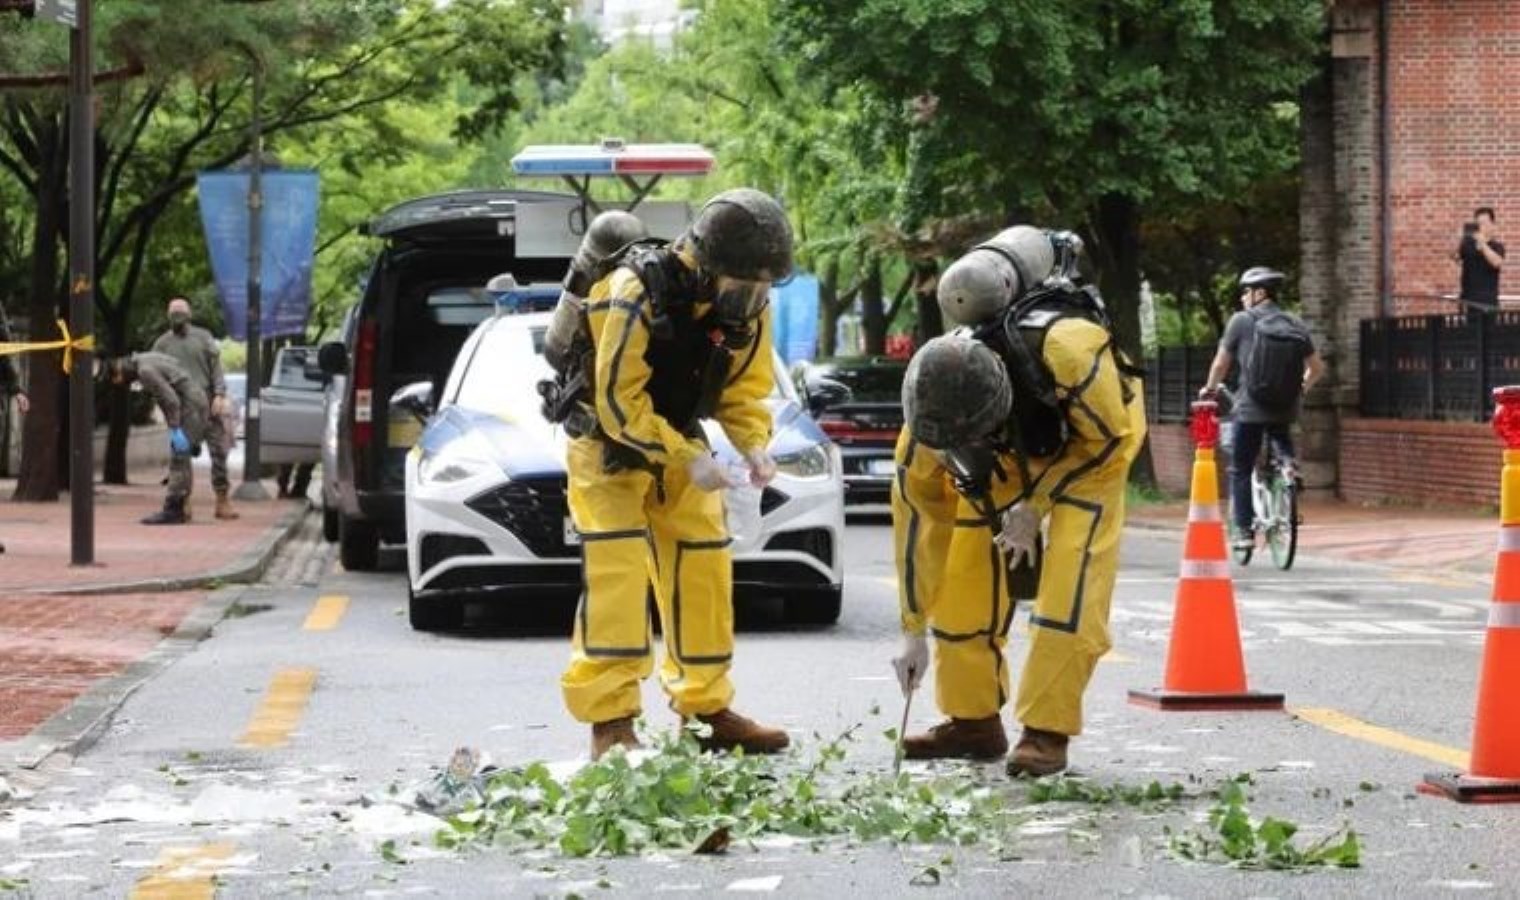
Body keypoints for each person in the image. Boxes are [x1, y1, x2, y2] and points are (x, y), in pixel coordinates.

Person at [890, 226, 1146, 776]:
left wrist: (1038, 503)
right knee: (962, 586)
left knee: (1067, 594)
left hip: (1089, 449)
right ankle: (972, 722)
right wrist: (911, 628)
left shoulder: (1067, 348)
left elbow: (1110, 439)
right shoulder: (926, 428)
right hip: (1005, 458)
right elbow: (918, 528)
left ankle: (1045, 730)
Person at [552, 189, 795, 760]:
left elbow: (744, 390)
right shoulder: (632, 292)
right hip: (607, 450)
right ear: (708, 267)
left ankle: (706, 712)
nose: (754, 298)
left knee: (703, 570)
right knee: (618, 578)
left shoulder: (748, 308)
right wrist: (687, 456)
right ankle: (611, 723)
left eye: (764, 286)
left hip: (681, 446)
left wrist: (754, 447)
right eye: (744, 284)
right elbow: (617, 402)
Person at [1199, 267, 1325, 551]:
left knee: (1240, 468)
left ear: (1259, 293)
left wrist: (1209, 388)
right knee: (1280, 436)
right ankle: (1289, 465)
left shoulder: (1241, 322)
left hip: (1251, 407)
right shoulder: (1295, 324)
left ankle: (1243, 531)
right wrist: (1301, 388)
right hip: (1285, 406)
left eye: (1246, 291)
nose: (1243, 297)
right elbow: (1317, 368)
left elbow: (1221, 364)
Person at [150, 297, 238, 520]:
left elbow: (215, 367)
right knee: (181, 456)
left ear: (189, 314)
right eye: (173, 311)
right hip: (181, 408)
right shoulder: (161, 344)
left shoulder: (203, 337)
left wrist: (219, 393)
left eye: (181, 310)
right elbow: (155, 378)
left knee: (218, 452)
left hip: (207, 404)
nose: (177, 315)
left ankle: (222, 498)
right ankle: (183, 501)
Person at [106, 353, 208, 525]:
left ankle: (173, 509)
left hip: (189, 408)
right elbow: (178, 365)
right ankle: (182, 507)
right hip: (197, 402)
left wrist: (175, 429)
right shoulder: (147, 358)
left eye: (119, 379)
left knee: (179, 458)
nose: (122, 383)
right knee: (184, 457)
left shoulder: (145, 371)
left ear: (119, 370)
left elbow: (171, 400)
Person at [1458, 207, 1506, 310]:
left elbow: (1497, 262)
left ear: (1492, 225)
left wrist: (1482, 243)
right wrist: (1458, 239)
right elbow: (1454, 257)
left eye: (1484, 223)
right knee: (1469, 326)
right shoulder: (1467, 245)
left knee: (1489, 326)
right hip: (1468, 299)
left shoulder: (1497, 246)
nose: (1481, 226)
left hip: (1488, 301)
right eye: (1478, 223)